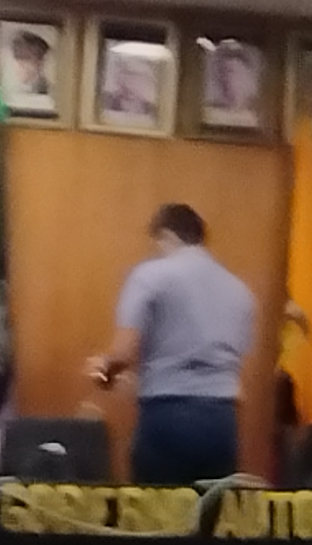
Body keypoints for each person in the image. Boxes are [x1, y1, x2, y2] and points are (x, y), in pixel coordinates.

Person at [86, 204, 257, 485]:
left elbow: (123, 352)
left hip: (167, 419)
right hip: (222, 421)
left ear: (166, 235)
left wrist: (104, 370)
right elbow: (235, 363)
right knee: (210, 506)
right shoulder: (240, 291)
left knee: (158, 507)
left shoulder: (150, 275)